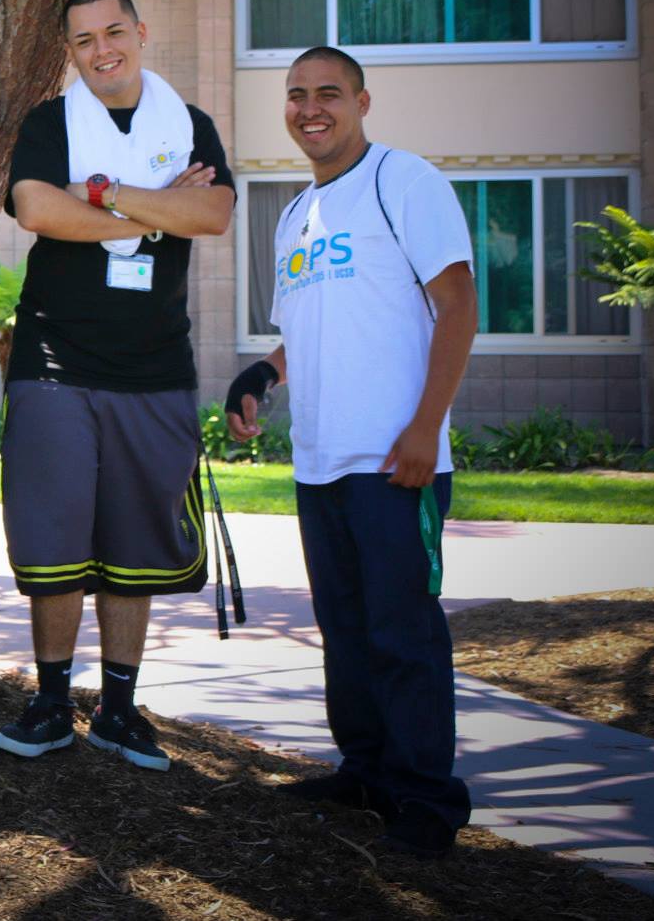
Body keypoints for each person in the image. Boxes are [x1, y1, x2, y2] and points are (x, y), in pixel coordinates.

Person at [226, 45, 476, 859]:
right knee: (345, 627)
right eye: (296, 96)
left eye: (327, 93)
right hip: (321, 461)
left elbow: (458, 304)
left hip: (395, 462)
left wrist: (423, 428)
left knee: (404, 632)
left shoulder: (403, 180)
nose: (310, 109)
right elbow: (301, 331)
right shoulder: (297, 214)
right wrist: (262, 374)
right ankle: (365, 770)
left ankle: (427, 800)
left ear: (363, 101)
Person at [0, 0, 234, 774]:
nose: (102, 50)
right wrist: (154, 207)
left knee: (134, 546)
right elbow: (34, 210)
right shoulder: (50, 122)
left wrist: (97, 193)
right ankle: (52, 701)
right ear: (71, 51)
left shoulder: (188, 123)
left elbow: (214, 214)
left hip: (155, 366)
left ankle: (121, 708)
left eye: (114, 32)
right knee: (54, 539)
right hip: (54, 360)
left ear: (141, 30)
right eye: (84, 40)